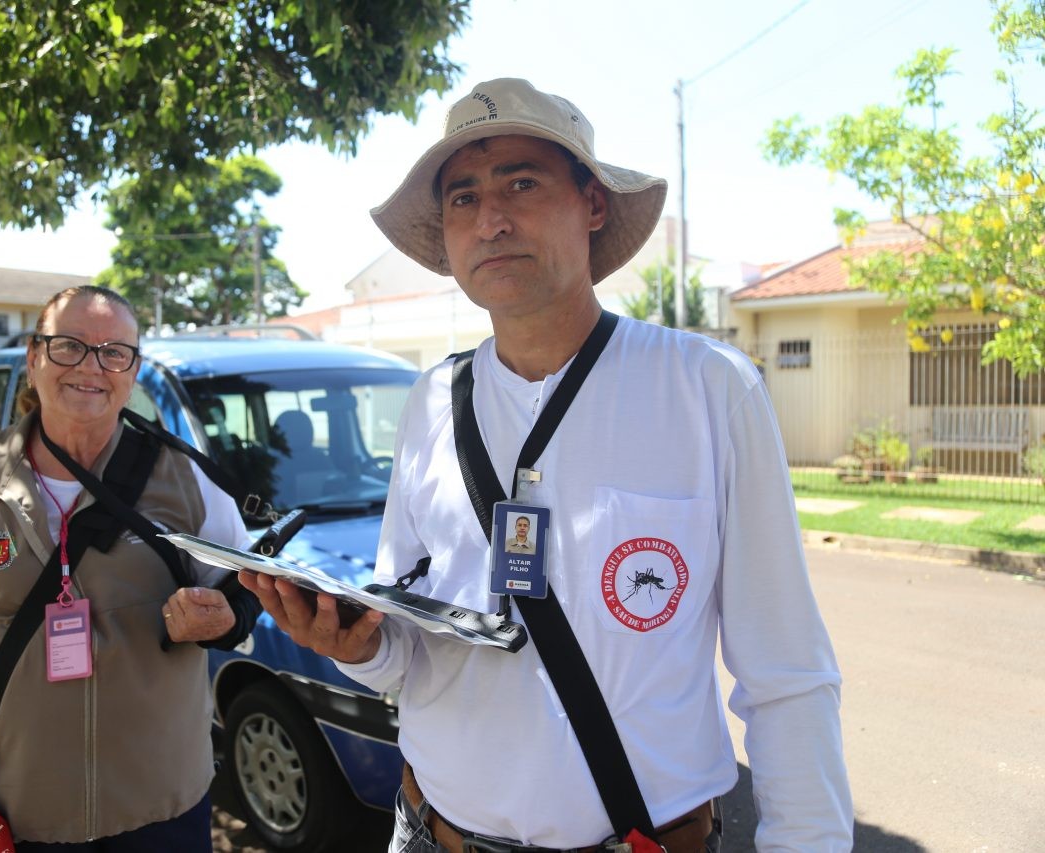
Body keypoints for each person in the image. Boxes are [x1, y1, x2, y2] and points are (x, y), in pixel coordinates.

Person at [240, 78, 853, 852]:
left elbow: (788, 670)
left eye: (521, 183)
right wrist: (357, 645)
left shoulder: (705, 388)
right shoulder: (432, 399)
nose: (490, 219)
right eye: (462, 198)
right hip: (433, 832)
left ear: (593, 204)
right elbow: (410, 642)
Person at [0, 286, 261, 852]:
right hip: (2, 815)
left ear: (132, 372)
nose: (91, 366)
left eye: (114, 351)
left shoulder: (187, 480)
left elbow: (250, 588)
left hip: (161, 808)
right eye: (68, 346)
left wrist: (224, 616)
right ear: (33, 359)